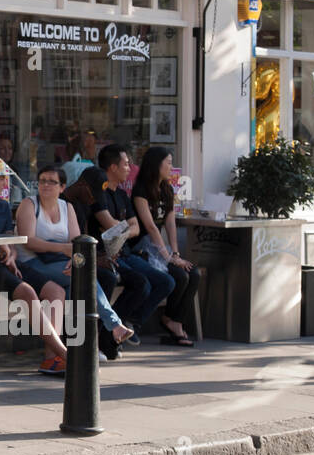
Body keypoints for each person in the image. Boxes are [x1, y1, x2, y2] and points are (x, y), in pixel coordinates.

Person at [16, 165, 135, 360]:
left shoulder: (67, 207)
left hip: (59, 263)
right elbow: (28, 241)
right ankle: (113, 326)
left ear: (62, 187)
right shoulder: (29, 204)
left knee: (78, 287)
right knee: (83, 279)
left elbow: (78, 243)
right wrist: (62, 249)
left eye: (52, 182)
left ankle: (74, 350)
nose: (46, 185)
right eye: (42, 181)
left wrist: (75, 260)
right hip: (31, 263)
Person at [0, 158, 68, 376]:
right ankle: (63, 351)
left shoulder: (3, 206)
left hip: (6, 262)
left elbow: (10, 241)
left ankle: (52, 359)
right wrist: (3, 246)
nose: (5, 183)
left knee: (55, 291)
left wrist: (11, 255)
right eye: (0, 178)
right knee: (27, 292)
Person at [87, 147, 176, 344]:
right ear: (112, 167)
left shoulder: (121, 195)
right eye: (126, 164)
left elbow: (134, 228)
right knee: (141, 284)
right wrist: (125, 227)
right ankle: (109, 333)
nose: (130, 168)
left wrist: (122, 229)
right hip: (107, 255)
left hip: (126, 252)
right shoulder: (98, 195)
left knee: (166, 282)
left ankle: (129, 323)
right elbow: (112, 225)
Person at [132, 146, 200, 348]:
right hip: (142, 250)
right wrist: (168, 257)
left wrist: (176, 253)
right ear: (156, 164)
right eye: (168, 162)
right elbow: (151, 227)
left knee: (193, 273)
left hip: (160, 250)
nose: (171, 167)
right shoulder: (140, 190)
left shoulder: (168, 189)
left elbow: (170, 223)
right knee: (180, 275)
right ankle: (168, 322)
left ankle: (173, 320)